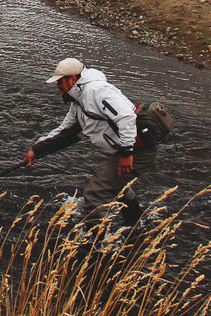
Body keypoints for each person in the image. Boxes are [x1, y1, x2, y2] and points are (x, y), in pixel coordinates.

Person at [23, 58, 157, 225]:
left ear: (72, 78)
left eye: (60, 82)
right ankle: (137, 225)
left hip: (137, 150)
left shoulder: (96, 91)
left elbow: (127, 117)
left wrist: (127, 153)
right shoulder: (78, 102)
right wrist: (36, 149)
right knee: (117, 186)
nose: (57, 87)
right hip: (125, 150)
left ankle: (95, 244)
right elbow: (65, 130)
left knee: (94, 194)